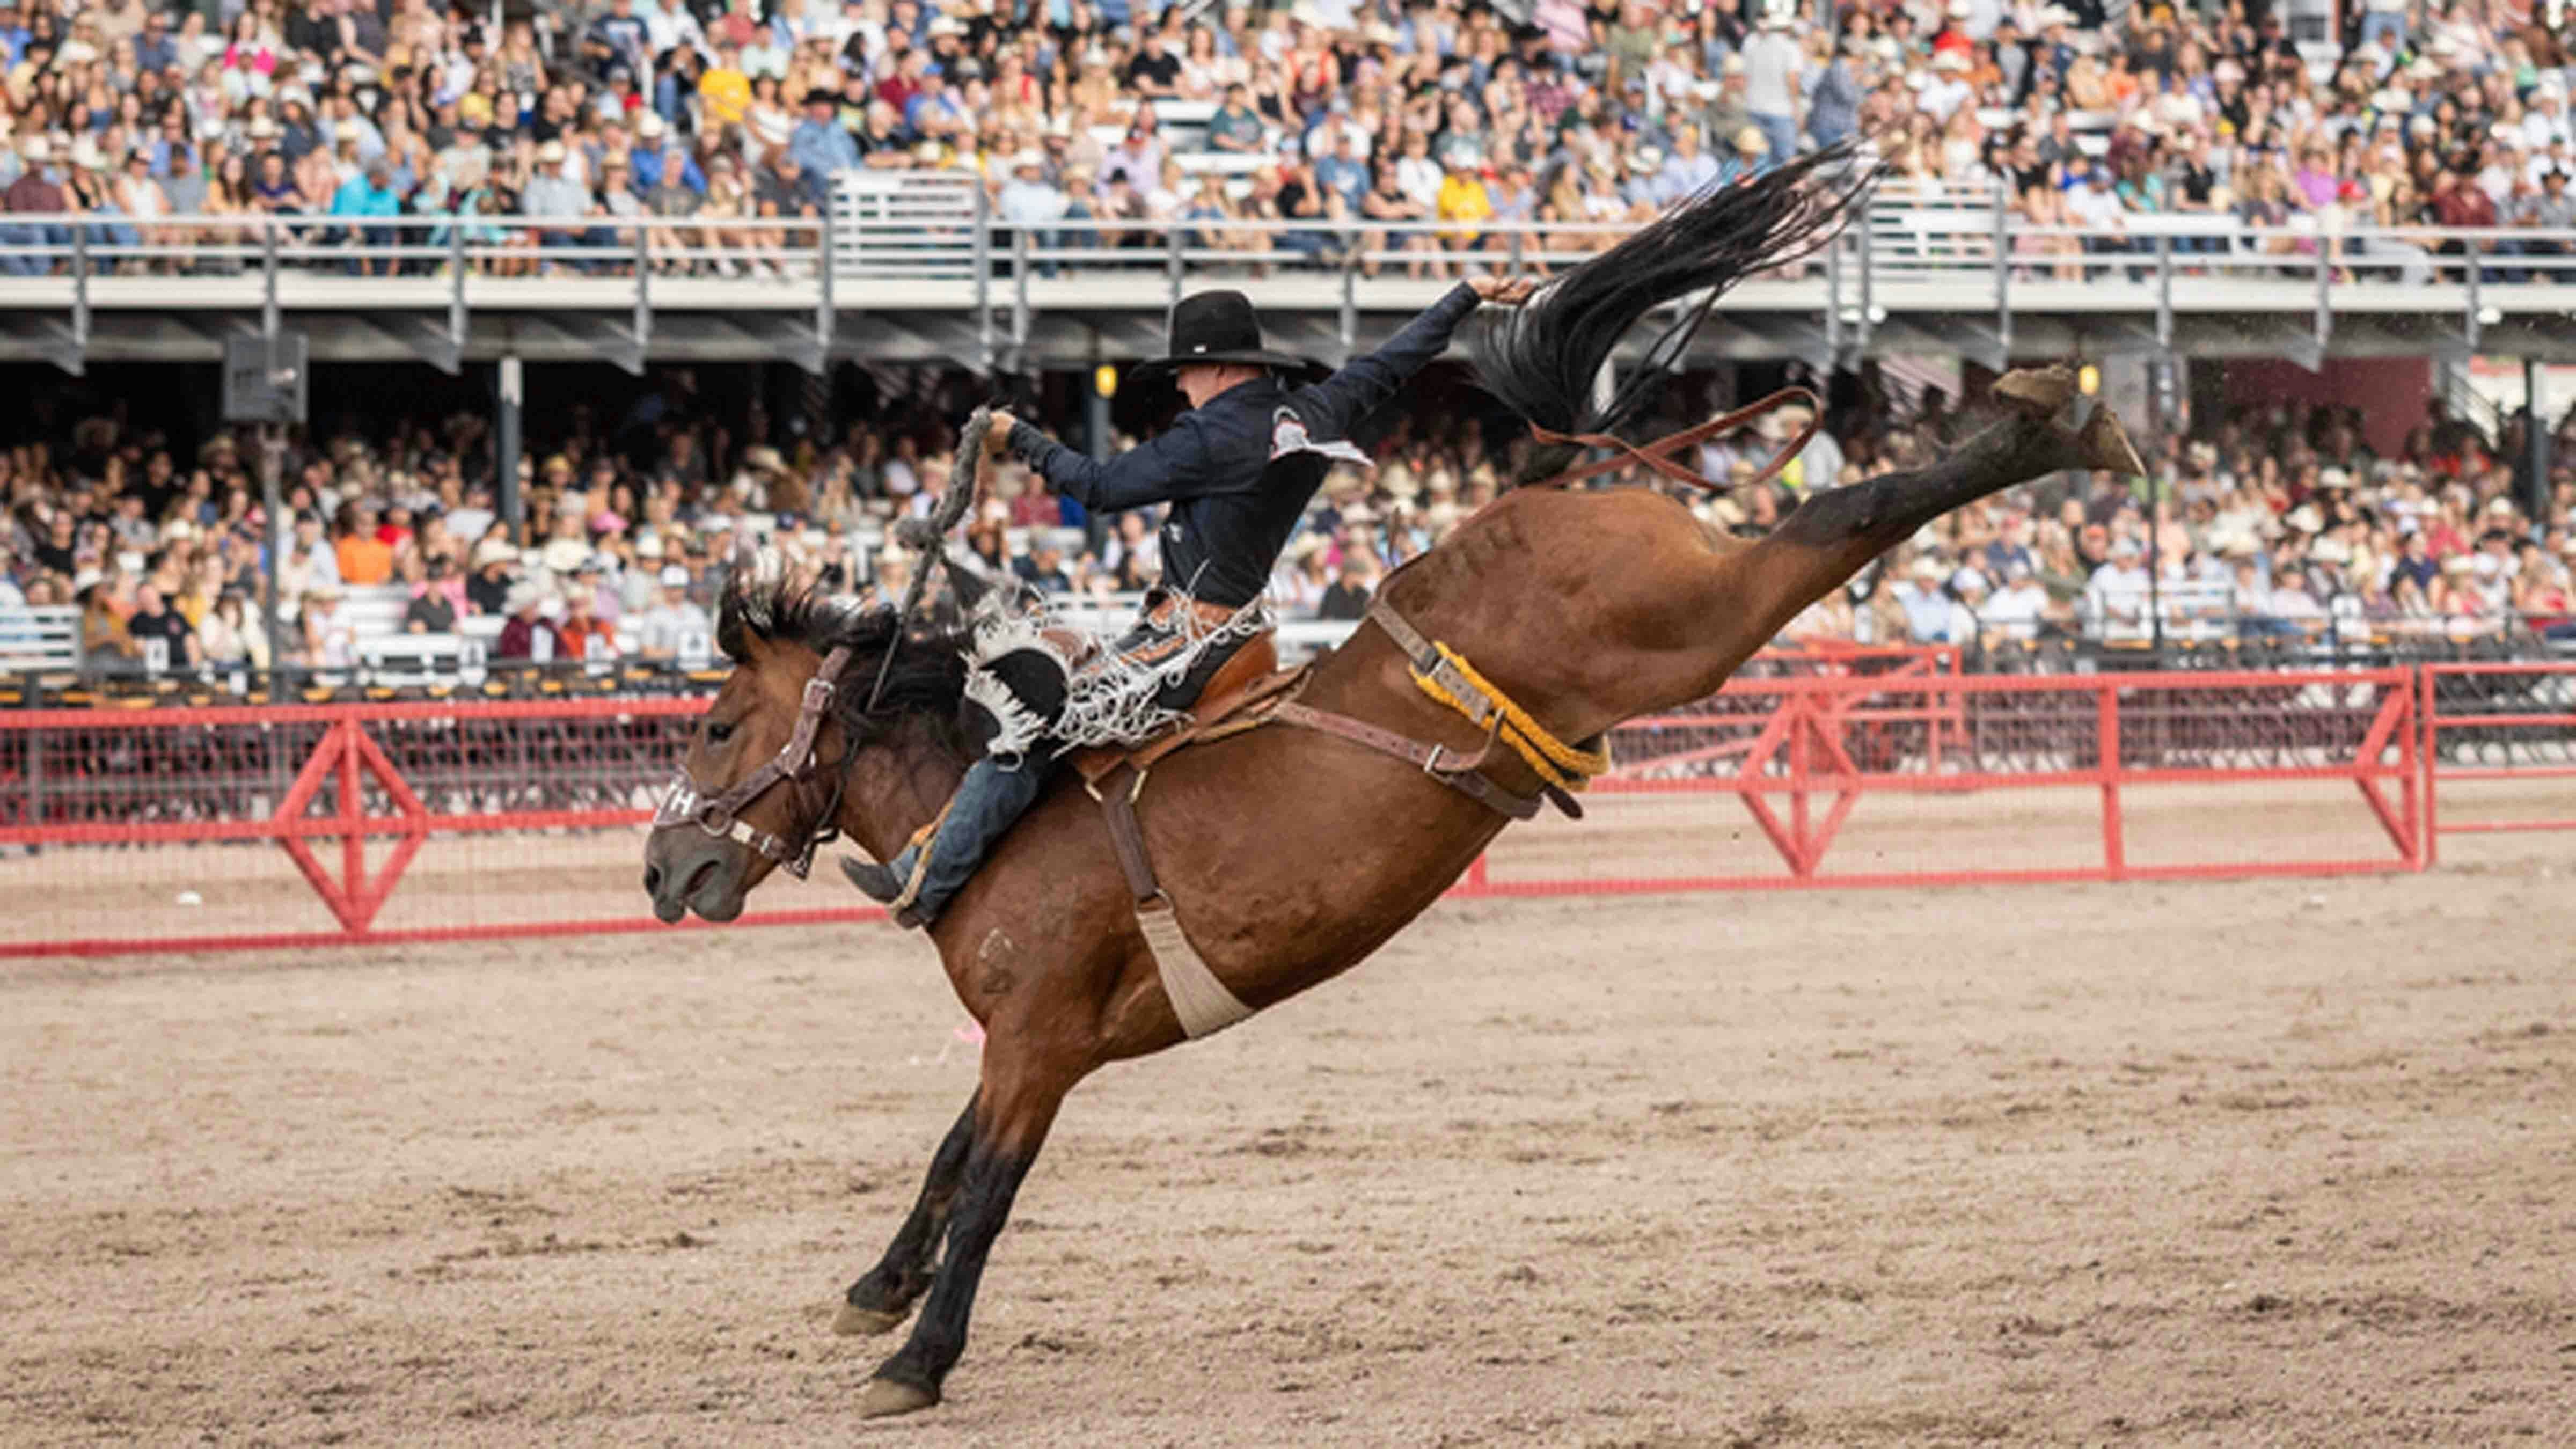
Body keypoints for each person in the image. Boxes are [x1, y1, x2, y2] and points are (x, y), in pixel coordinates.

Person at [843, 273, 1535, 927]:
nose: (1180, 383)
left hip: (1188, 644)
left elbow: (1100, 486)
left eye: (1186, 369)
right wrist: (1465, 297)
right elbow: (1390, 363)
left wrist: (1018, 437)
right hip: (1237, 629)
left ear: (1223, 370)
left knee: (1027, 718)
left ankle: (925, 879)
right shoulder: (1316, 410)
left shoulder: (1212, 435)